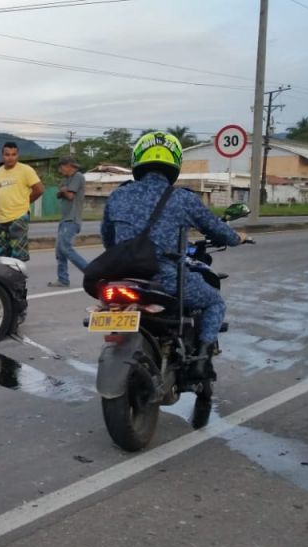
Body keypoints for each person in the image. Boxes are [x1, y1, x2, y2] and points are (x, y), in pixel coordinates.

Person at [101, 131, 246, 374]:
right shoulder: (182, 199)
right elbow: (218, 230)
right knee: (214, 302)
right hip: (167, 281)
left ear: (138, 160)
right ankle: (201, 360)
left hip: (123, 279)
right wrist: (238, 237)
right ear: (175, 163)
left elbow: (108, 239)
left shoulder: (118, 195)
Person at [0, 142, 44, 261]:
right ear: (2, 155)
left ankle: (18, 279)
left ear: (17, 155)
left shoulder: (26, 170)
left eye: (14, 154)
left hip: (19, 218)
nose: (10, 158)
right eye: (7, 154)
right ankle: (3, 279)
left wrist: (26, 202)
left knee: (17, 257)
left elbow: (39, 190)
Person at [48, 156, 90, 287]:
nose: (60, 171)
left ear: (68, 166)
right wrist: (63, 191)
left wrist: (64, 191)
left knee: (66, 248)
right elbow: (59, 193)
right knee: (60, 251)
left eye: (61, 167)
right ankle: (63, 279)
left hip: (72, 219)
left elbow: (70, 195)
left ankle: (90, 272)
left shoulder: (78, 177)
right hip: (64, 219)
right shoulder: (66, 179)